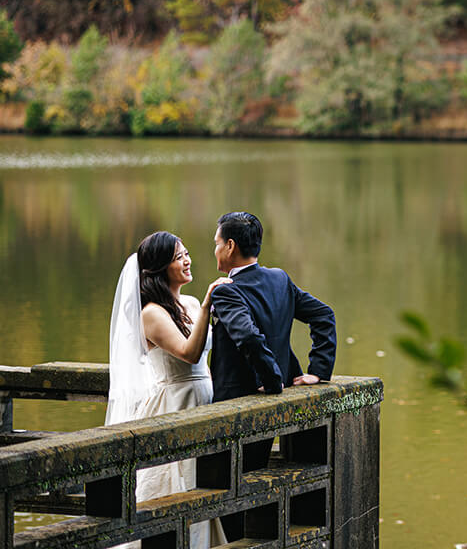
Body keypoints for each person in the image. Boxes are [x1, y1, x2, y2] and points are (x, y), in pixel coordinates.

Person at [105, 231, 228, 549]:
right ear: (160, 268)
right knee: (173, 484)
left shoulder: (186, 302)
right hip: (173, 403)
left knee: (202, 485)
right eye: (178, 257)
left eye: (186, 253)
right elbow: (189, 353)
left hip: (203, 400)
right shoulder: (151, 314)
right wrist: (207, 305)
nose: (187, 260)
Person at [208, 211, 336, 403]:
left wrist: (272, 381)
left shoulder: (226, 291)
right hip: (282, 391)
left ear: (230, 246)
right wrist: (319, 370)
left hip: (240, 400)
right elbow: (324, 315)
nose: (216, 250)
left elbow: (249, 336)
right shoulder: (279, 279)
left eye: (217, 244)